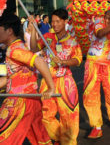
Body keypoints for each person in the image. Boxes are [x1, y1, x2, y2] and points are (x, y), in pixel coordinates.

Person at [29, 9, 82, 145]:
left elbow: (78, 60)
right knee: (46, 114)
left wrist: (63, 62)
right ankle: (59, 137)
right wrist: (34, 29)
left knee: (69, 115)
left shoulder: (72, 41)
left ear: (65, 22)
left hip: (65, 82)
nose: (55, 24)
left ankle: (68, 142)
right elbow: (34, 49)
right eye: (53, 21)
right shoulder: (47, 37)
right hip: (47, 82)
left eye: (58, 21)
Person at [0, 13, 54, 144]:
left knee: (4, 136)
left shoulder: (14, 50)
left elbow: (39, 61)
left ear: (9, 31)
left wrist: (51, 87)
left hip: (20, 101)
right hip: (31, 99)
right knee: (39, 137)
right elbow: (11, 76)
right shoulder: (18, 46)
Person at [83, 10, 110, 139]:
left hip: (109, 65)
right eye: (108, 18)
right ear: (104, 17)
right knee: (91, 95)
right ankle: (96, 127)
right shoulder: (98, 22)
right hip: (93, 65)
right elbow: (100, 34)